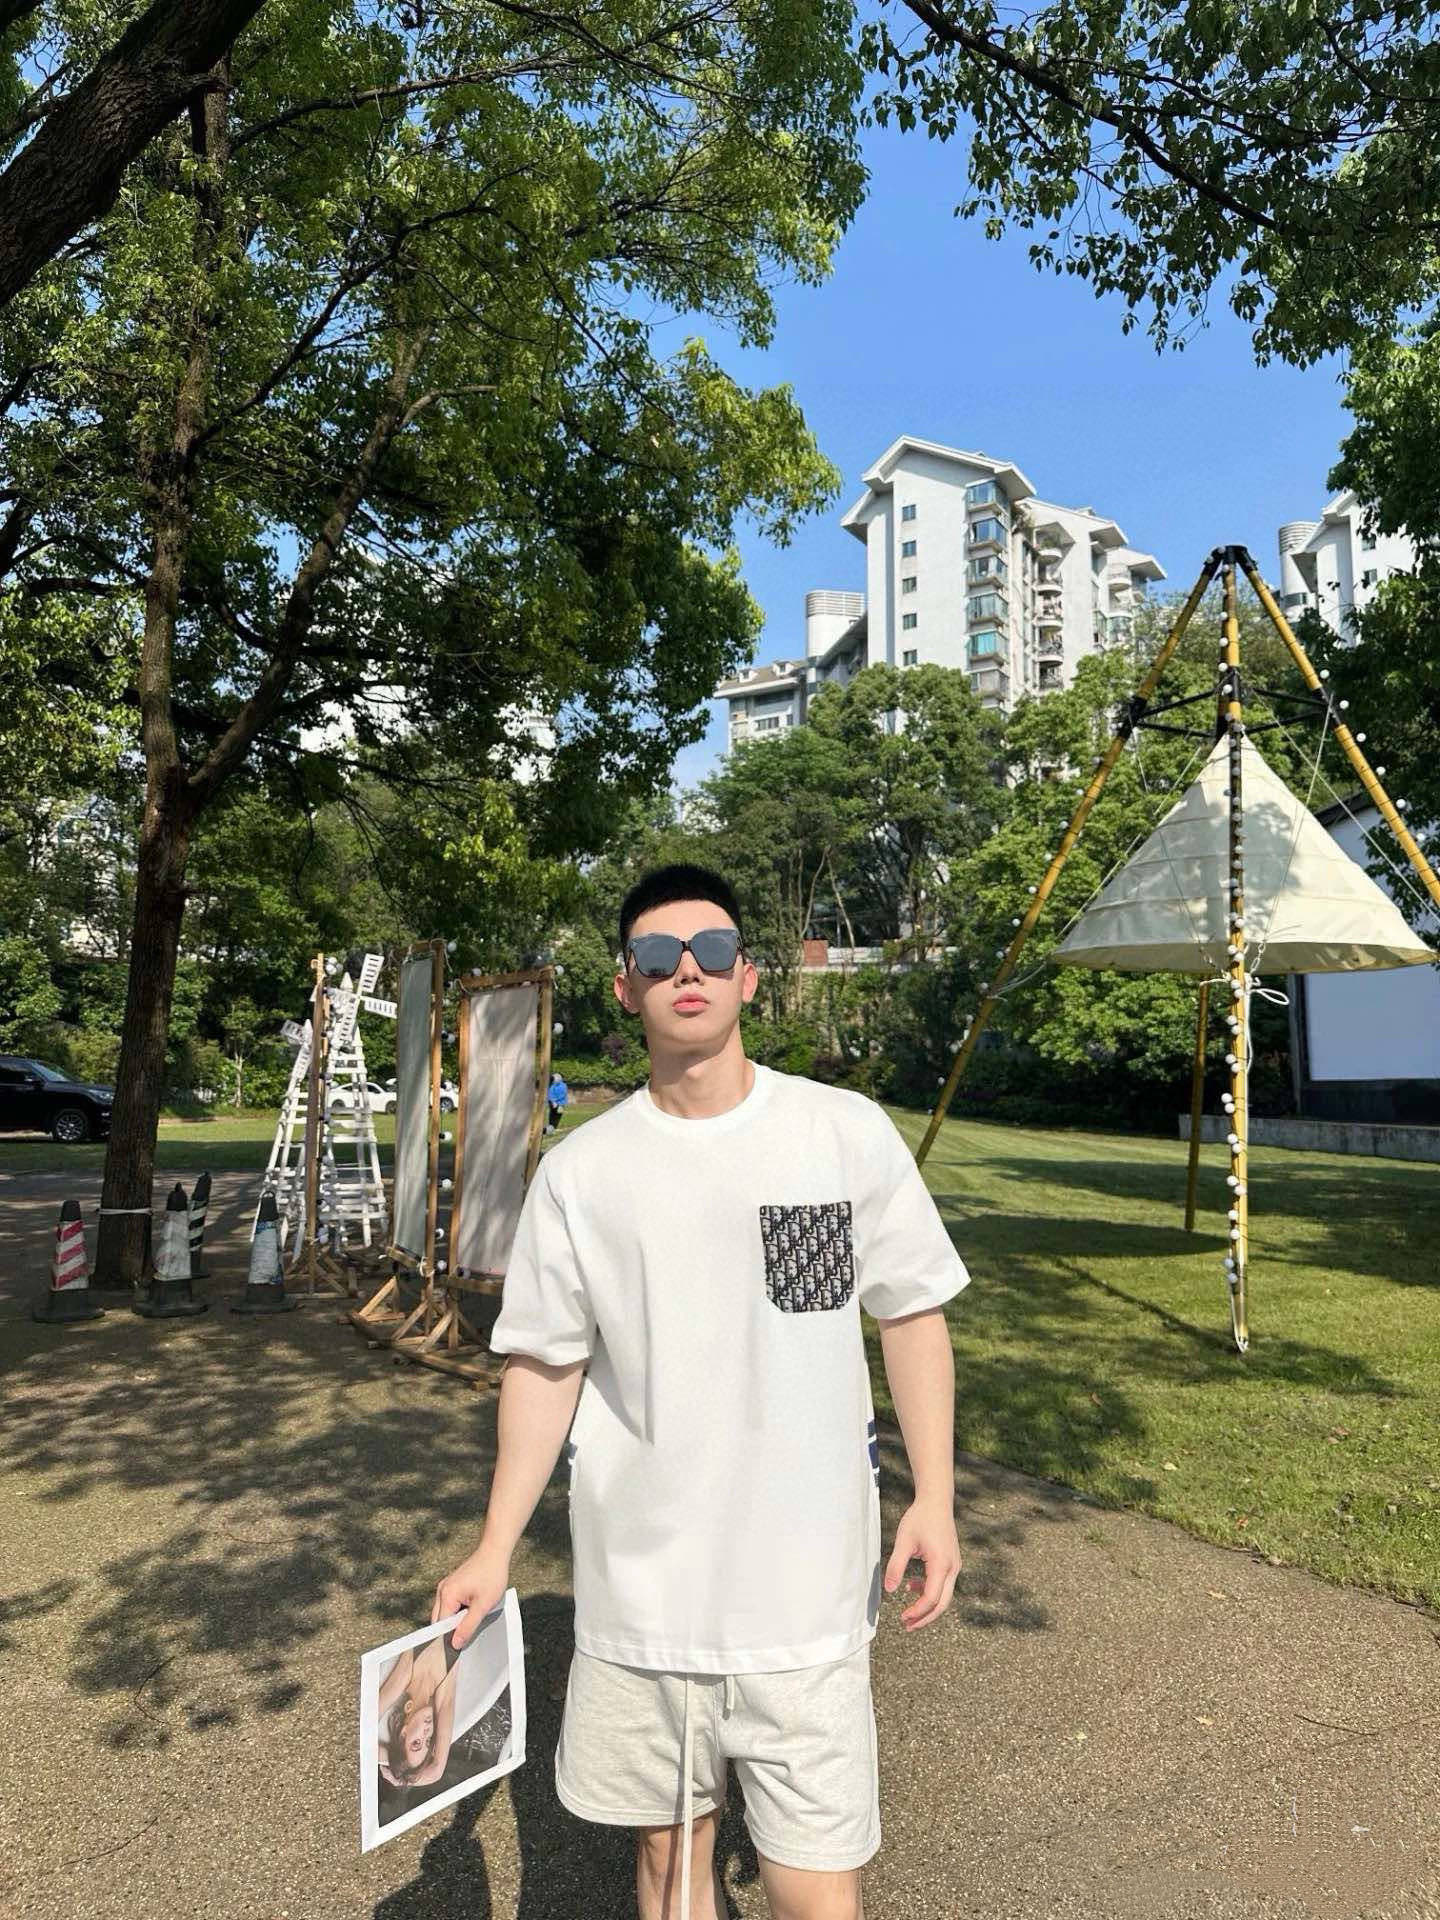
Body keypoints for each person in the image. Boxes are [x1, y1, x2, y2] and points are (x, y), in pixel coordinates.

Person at [433, 862, 971, 1920]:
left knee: (816, 1881)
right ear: (625, 986)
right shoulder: (583, 1174)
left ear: (749, 978)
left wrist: (937, 1497)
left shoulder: (839, 1132)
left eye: (714, 951)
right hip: (645, 1600)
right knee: (670, 1864)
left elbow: (911, 1316)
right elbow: (543, 1364)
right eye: (659, 955)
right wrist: (494, 1547)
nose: (690, 971)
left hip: (808, 1594)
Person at [375, 1631, 460, 1790]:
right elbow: (436, 1771)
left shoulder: (403, 1677)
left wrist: (394, 1760)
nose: (427, 1733)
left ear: (404, 1733)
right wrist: (402, 1781)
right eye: (428, 1741)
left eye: (416, 1743)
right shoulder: (444, 1696)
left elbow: (361, 1739)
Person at [545, 1069, 568, 1135]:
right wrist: (553, 1101)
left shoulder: (563, 1085)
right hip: (554, 1102)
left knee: (557, 1115)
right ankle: (552, 1128)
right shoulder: (552, 1085)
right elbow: (550, 1094)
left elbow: (563, 1094)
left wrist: (555, 1101)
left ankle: (554, 1128)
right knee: (553, 1115)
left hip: (559, 1103)